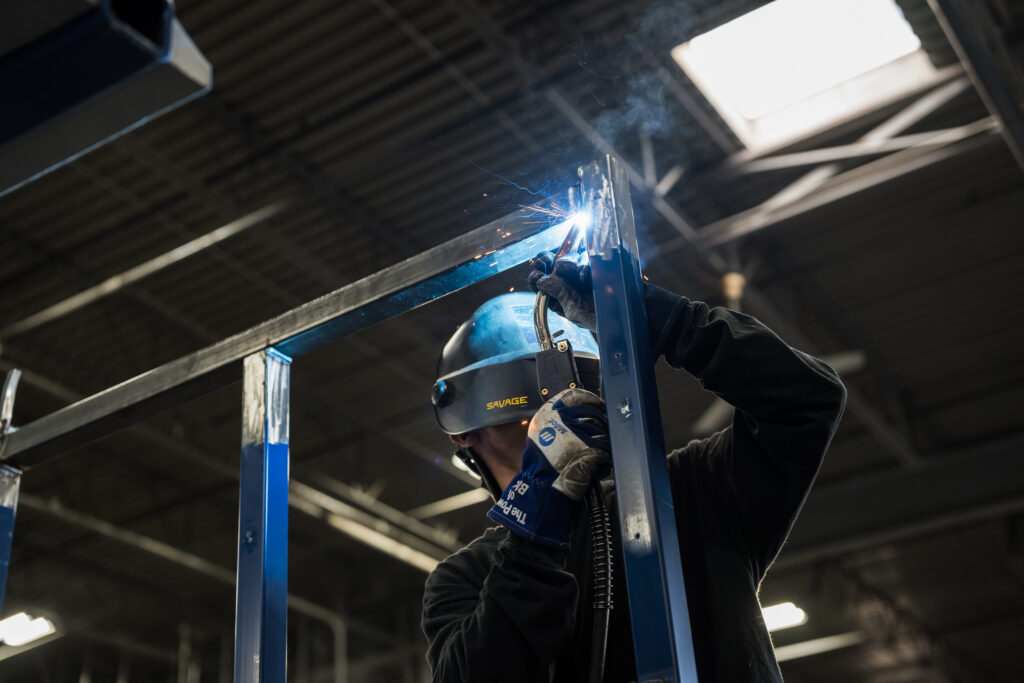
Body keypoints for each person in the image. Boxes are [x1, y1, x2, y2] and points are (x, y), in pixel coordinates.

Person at [422, 257, 847, 683]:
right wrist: (533, 527)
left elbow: (807, 399)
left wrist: (662, 318)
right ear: (464, 433)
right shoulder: (466, 579)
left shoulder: (688, 494)